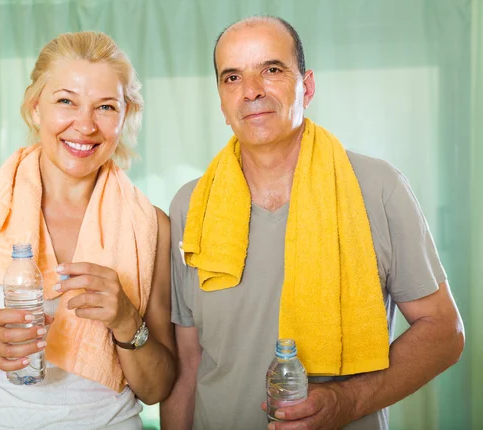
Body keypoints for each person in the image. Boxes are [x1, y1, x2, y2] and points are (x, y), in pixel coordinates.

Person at [160, 15, 465, 430]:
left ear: (307, 86)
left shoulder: (378, 187)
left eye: (271, 70)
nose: (251, 91)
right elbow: (189, 362)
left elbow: (445, 333)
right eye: (232, 77)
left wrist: (347, 401)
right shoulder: (190, 205)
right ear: (221, 101)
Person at [0, 31, 175, 430]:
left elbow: (157, 388)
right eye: (66, 101)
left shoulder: (151, 226)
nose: (85, 125)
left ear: (125, 115)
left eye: (105, 107)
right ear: (36, 106)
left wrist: (127, 320)